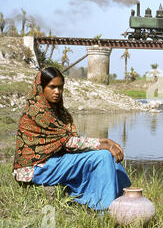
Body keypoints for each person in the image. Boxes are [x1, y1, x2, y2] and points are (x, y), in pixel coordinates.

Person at [12, 67, 131, 210]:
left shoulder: (58, 111)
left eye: (60, 87)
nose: (57, 91)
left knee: (112, 158)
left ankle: (125, 199)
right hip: (37, 168)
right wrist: (102, 143)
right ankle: (106, 210)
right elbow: (68, 141)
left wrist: (105, 143)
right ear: (41, 88)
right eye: (52, 87)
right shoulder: (36, 111)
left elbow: (67, 141)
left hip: (55, 161)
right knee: (103, 156)